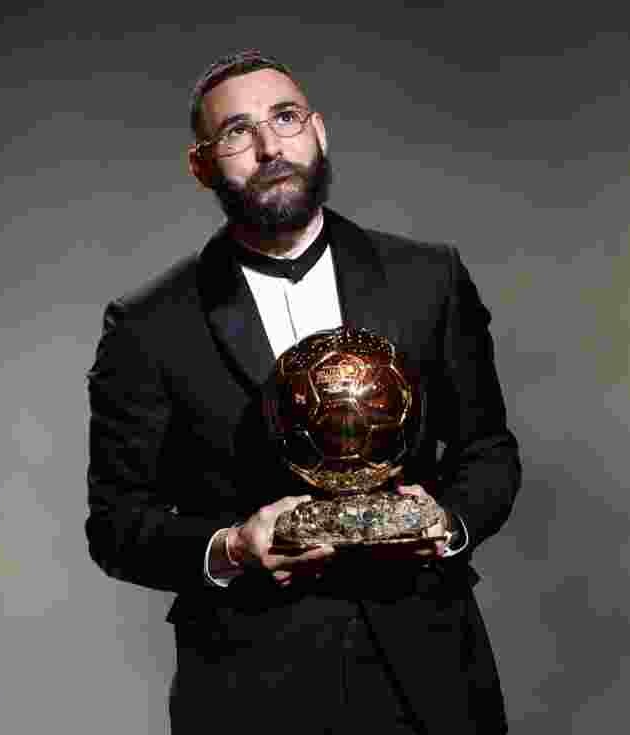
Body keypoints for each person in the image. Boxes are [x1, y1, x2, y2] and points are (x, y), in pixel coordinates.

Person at [85, 49, 521, 734]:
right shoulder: (148, 326)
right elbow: (115, 525)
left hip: (430, 671)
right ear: (202, 165)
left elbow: (490, 451)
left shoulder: (427, 279)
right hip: (249, 684)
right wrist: (231, 545)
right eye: (236, 132)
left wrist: (446, 521)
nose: (268, 147)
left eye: (284, 118)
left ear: (318, 131)